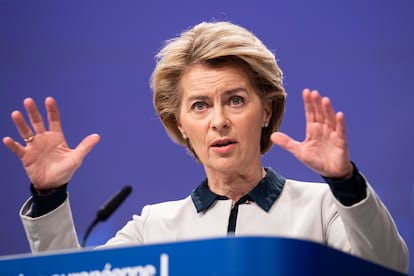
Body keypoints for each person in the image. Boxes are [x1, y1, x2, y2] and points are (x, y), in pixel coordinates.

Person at [3, 21, 408, 272]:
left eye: (235, 100)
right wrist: (50, 197)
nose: (219, 121)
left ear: (266, 111)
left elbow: (388, 267)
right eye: (199, 106)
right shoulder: (153, 227)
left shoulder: (323, 208)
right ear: (180, 124)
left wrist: (344, 181)